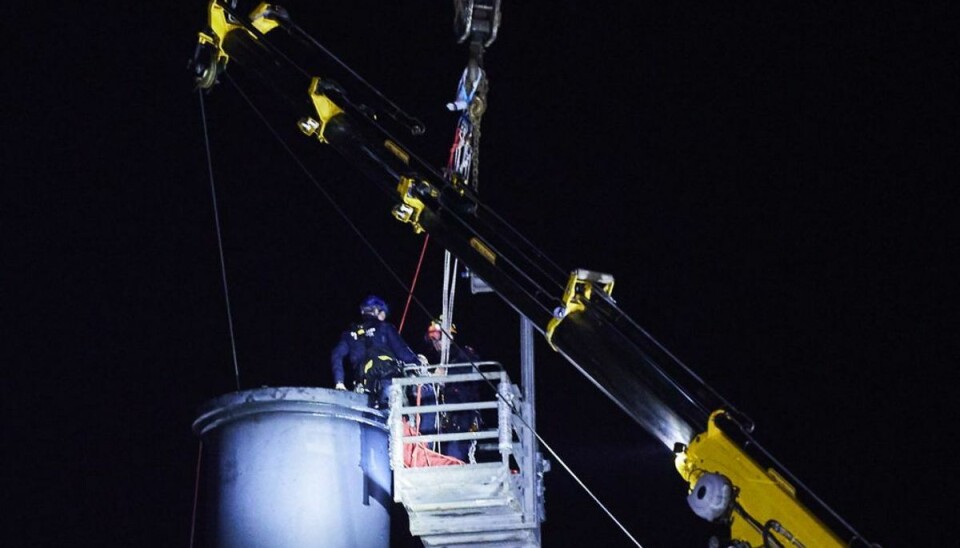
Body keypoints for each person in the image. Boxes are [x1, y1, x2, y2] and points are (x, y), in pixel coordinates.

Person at [330, 295, 425, 409]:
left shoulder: (351, 334)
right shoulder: (385, 327)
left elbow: (337, 355)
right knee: (391, 418)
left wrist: (339, 382)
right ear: (376, 311)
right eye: (383, 313)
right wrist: (419, 363)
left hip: (364, 388)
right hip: (388, 381)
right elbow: (404, 354)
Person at [420, 320, 482, 462]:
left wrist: (446, 373)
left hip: (462, 416)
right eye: (432, 340)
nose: (435, 343)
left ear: (450, 336)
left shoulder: (464, 354)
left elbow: (469, 371)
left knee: (455, 455)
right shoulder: (437, 359)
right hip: (444, 419)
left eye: (438, 338)